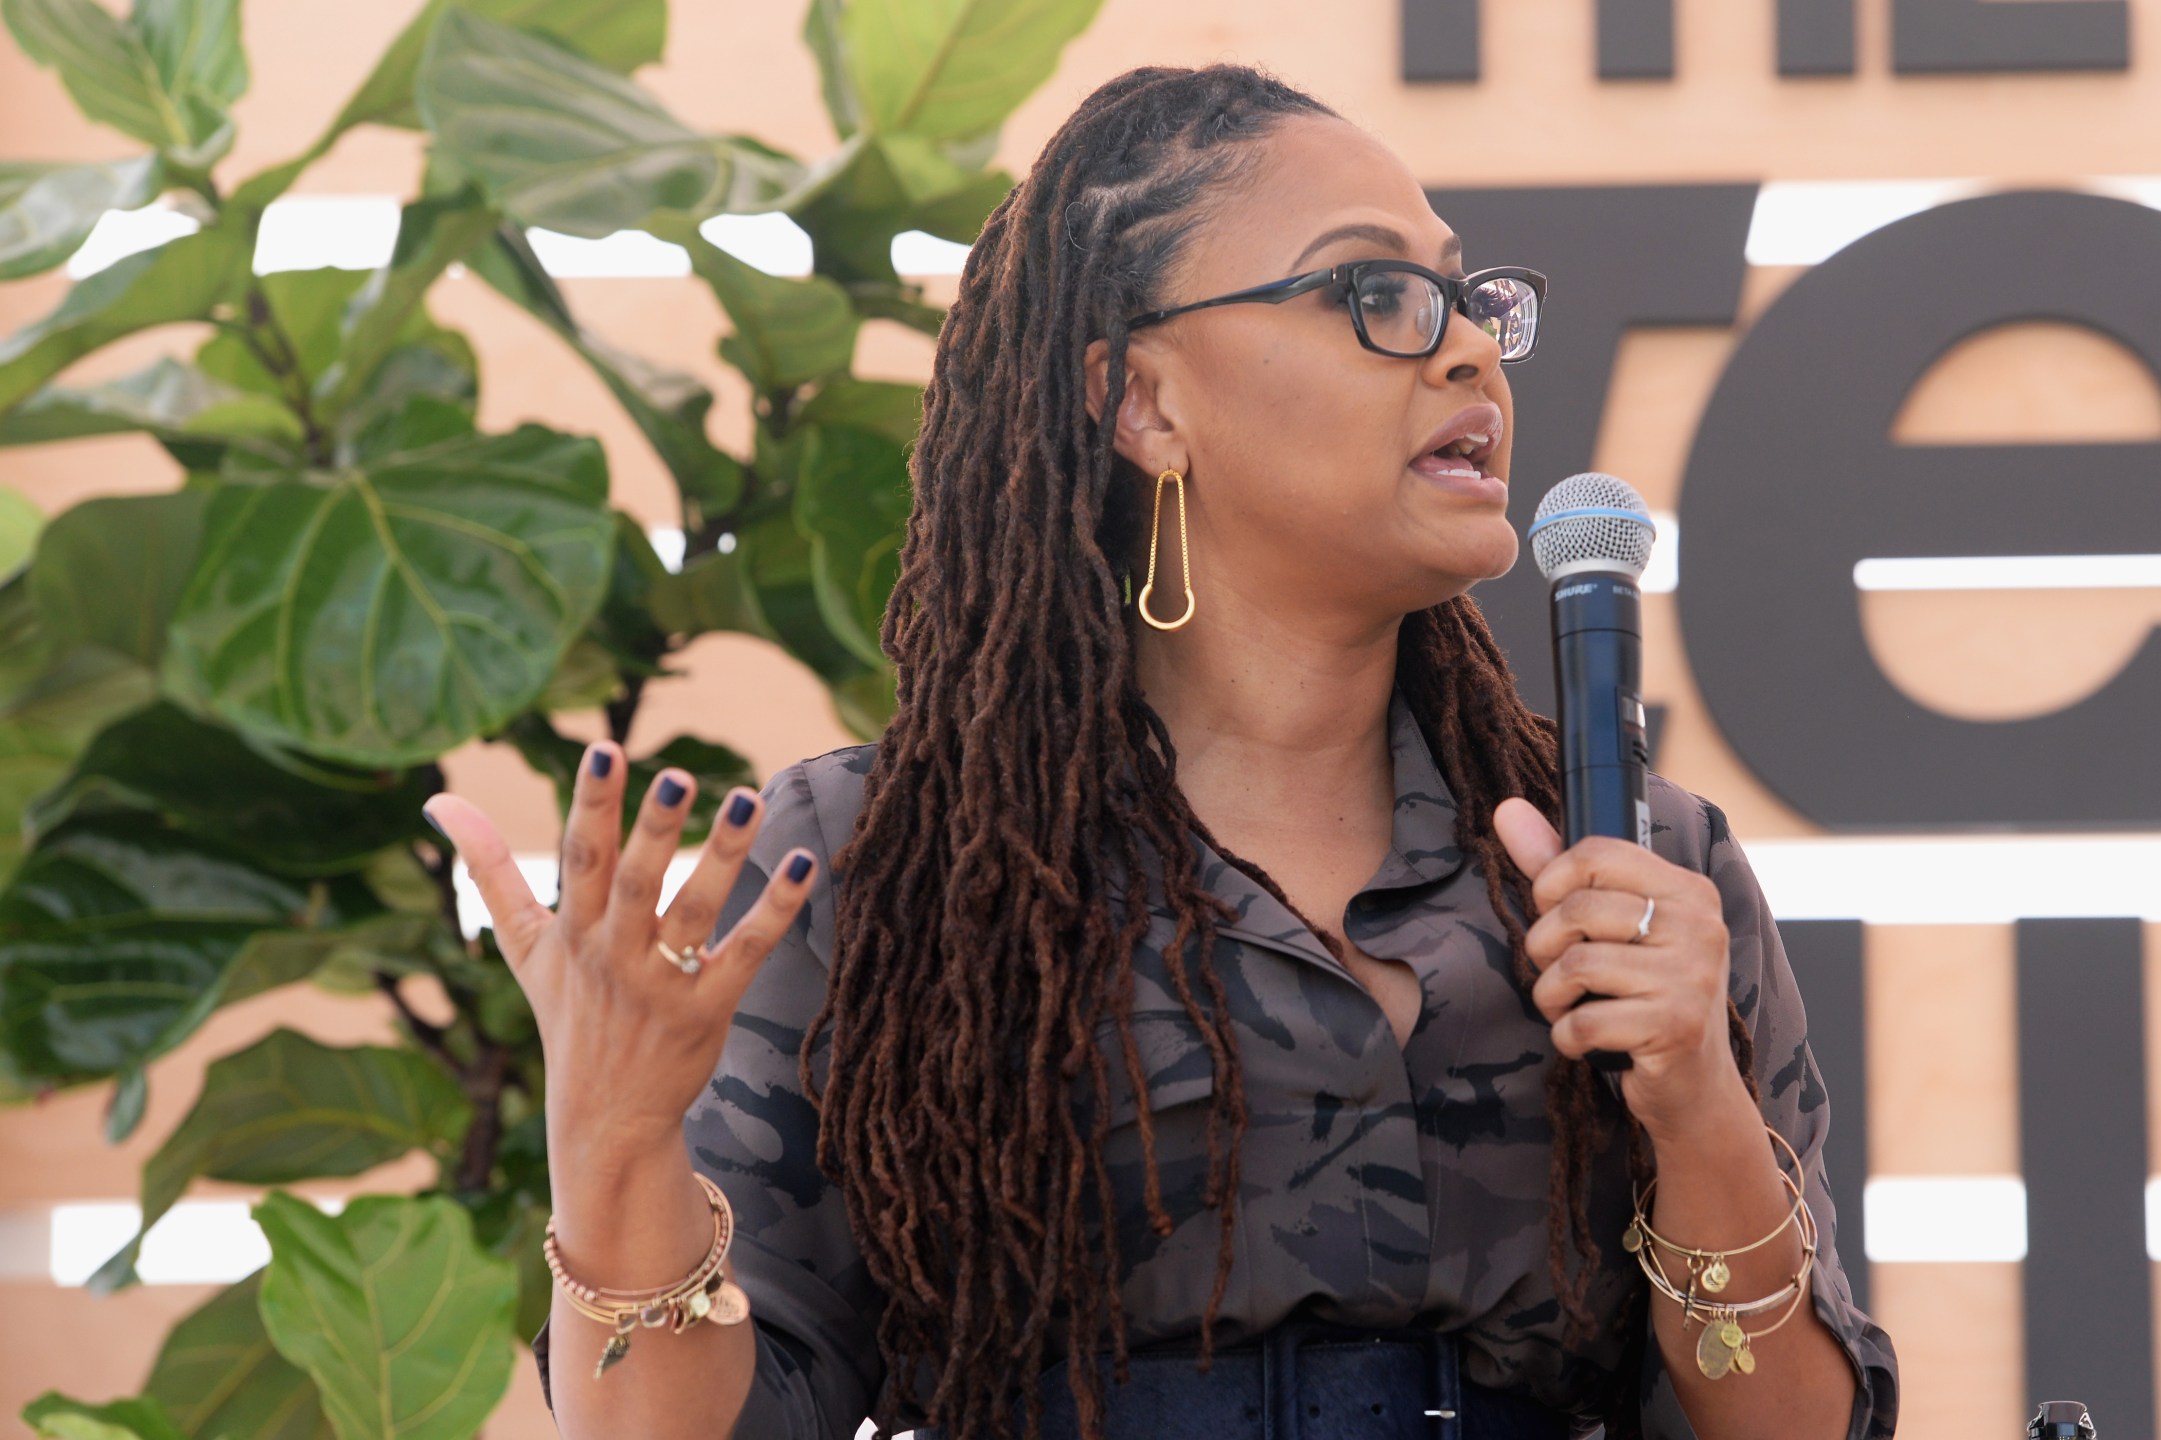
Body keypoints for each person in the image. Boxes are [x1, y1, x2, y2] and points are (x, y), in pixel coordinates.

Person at [424, 64, 1897, 1440]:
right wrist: (616, 1150)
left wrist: (1697, 1101)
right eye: (1374, 290)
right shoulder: (871, 867)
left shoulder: (1635, 862)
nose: (1460, 344)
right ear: (1140, 401)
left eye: (1465, 295)